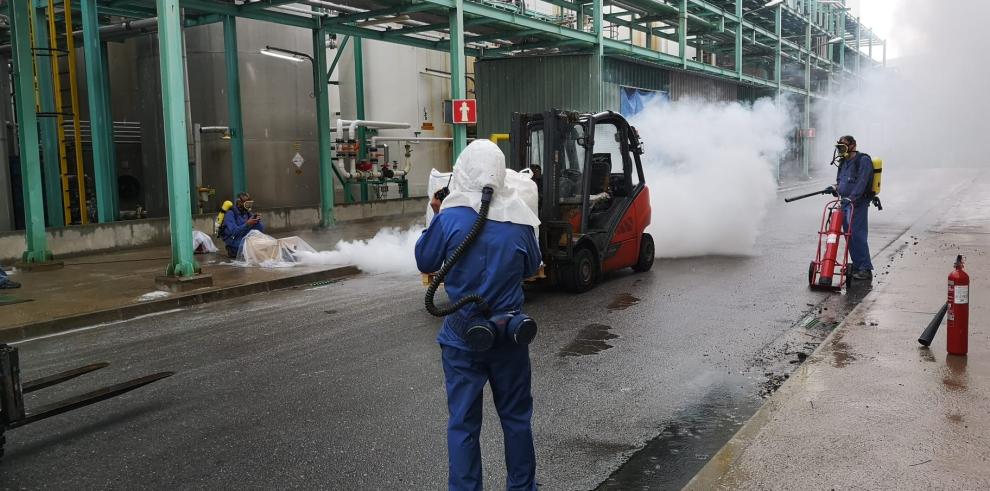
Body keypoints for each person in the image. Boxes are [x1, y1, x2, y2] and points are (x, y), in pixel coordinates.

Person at [415, 140, 542, 491]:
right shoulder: (519, 219)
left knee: (464, 425)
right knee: (516, 420)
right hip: (510, 334)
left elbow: (425, 261)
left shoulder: (450, 217)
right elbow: (532, 266)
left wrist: (438, 214)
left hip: (463, 336)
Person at [834, 135, 874, 281]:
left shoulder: (863, 160)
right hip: (845, 203)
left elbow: (862, 182)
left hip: (858, 203)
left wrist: (852, 198)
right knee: (849, 235)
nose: (840, 149)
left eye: (843, 146)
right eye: (839, 146)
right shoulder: (843, 162)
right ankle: (857, 265)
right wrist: (835, 188)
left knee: (858, 234)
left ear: (853, 145)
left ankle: (865, 268)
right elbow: (841, 181)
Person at [220, 192, 265, 258]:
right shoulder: (230, 213)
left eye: (250, 204)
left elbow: (260, 230)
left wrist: (256, 221)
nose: (249, 206)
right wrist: (247, 224)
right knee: (252, 248)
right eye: (247, 204)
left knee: (263, 243)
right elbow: (233, 232)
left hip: (243, 237)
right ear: (239, 203)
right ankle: (232, 250)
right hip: (233, 240)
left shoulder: (246, 212)